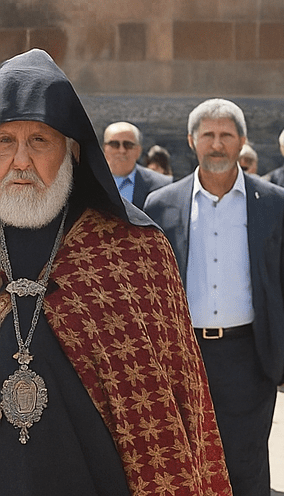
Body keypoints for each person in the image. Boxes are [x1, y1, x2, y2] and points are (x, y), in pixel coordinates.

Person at [0, 49, 231, 494]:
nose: (21, 160)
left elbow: (176, 396)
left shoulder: (133, 248)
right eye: (5, 141)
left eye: (39, 141)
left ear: (72, 150)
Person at [144, 98, 284, 496]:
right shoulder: (161, 205)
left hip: (249, 355)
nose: (216, 144)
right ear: (191, 141)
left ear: (241, 141)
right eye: (208, 135)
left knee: (246, 462)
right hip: (183, 356)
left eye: (225, 135)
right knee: (184, 460)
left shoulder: (274, 202)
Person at [102, 121, 172, 209]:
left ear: (138, 150)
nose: (122, 150)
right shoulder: (89, 183)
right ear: (105, 148)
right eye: (114, 144)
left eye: (128, 145)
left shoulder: (161, 185)